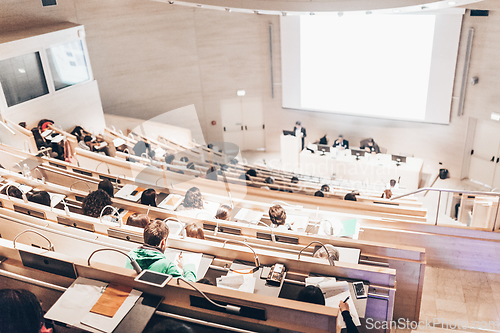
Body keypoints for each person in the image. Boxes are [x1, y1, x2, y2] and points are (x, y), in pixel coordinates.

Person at [126, 220, 196, 281]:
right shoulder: (167, 266)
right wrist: (187, 266)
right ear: (163, 242)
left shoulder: (130, 256)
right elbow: (189, 286)